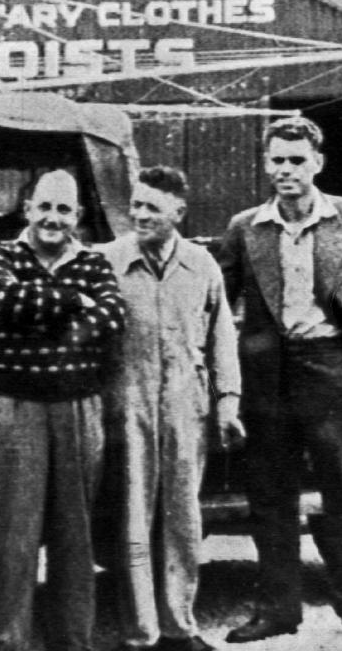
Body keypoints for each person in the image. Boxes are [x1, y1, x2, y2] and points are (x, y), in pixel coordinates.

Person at [218, 116, 342, 646]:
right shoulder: (244, 226)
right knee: (271, 496)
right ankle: (279, 610)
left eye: (296, 160)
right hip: (266, 375)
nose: (286, 171)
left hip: (329, 368)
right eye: (276, 160)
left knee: (341, 493)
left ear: (317, 163)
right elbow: (218, 301)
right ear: (266, 163)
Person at [0, 168, 126, 651]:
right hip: (12, 412)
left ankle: (71, 642)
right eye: (44, 207)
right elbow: (3, 298)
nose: (52, 219)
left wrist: (59, 315)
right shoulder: (0, 255)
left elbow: (110, 317)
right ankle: (8, 642)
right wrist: (73, 301)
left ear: (78, 216)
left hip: (77, 411)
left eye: (63, 209)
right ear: (27, 210)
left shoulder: (96, 264)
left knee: (74, 539)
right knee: (10, 539)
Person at [99, 166, 244, 651]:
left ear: (178, 213)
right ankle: (140, 632)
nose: (139, 214)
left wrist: (227, 402)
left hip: (187, 405)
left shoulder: (202, 265)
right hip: (128, 404)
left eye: (152, 208)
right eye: (136, 204)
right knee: (134, 517)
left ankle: (180, 626)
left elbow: (221, 335)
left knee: (183, 518)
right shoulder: (107, 261)